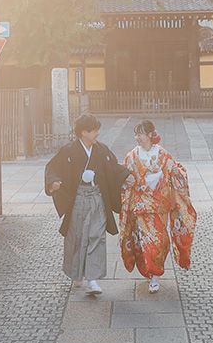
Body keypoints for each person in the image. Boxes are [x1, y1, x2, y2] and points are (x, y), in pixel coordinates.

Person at [44, 114, 126, 296]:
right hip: (78, 199)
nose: (97, 133)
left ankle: (93, 279)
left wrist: (127, 175)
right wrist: (53, 182)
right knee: (77, 236)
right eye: (94, 130)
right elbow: (52, 167)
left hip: (97, 198)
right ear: (83, 132)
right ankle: (76, 273)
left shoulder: (102, 150)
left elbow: (114, 168)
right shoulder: (68, 151)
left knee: (97, 236)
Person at [119, 119, 197, 293]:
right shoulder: (131, 156)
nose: (136, 137)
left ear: (149, 134)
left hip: (159, 206)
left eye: (139, 134)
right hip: (140, 206)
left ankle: (155, 274)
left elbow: (176, 170)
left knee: (160, 242)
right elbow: (124, 174)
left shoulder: (162, 154)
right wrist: (125, 178)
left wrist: (177, 172)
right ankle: (152, 275)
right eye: (135, 134)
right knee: (144, 242)